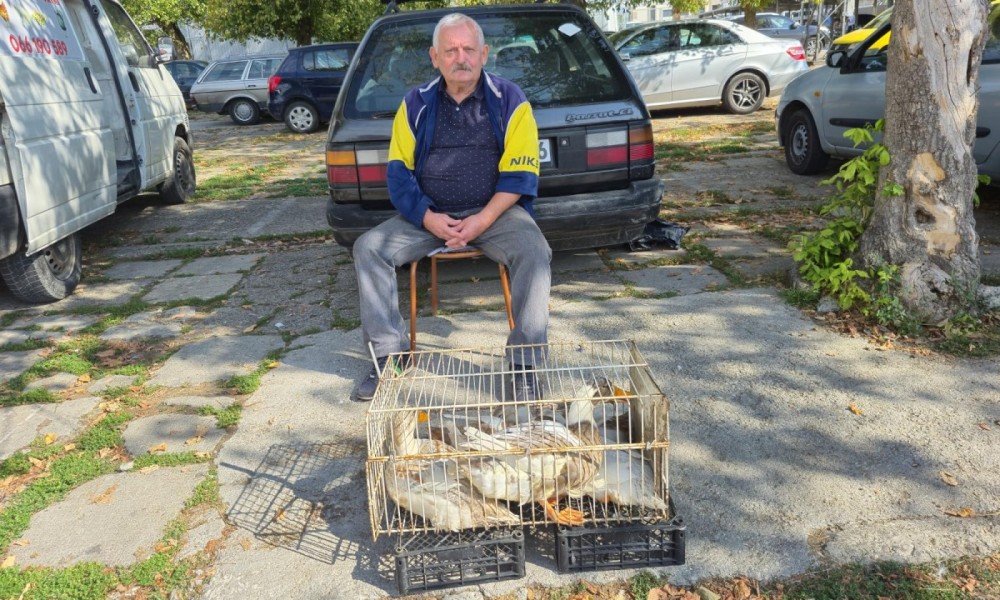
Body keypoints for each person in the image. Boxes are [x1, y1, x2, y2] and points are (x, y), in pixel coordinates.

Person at [352, 13, 551, 402]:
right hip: (429, 215)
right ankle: (389, 357)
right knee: (368, 247)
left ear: (484, 54)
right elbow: (398, 174)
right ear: (435, 57)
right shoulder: (415, 104)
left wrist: (481, 220)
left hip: (495, 213)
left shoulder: (511, 100)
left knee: (535, 251)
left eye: (469, 49)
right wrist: (428, 217)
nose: (461, 58)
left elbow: (520, 175)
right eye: (451, 50)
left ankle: (525, 364)